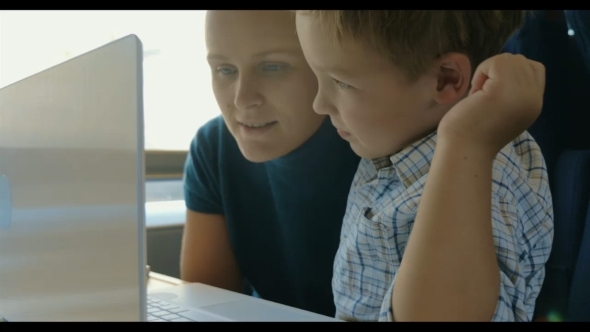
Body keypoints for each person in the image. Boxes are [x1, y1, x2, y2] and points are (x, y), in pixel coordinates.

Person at [295, 10, 554, 321]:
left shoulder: (482, 179)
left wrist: (467, 142)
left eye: (340, 82)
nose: (319, 104)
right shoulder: (398, 143)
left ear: (445, 79)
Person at [179, 10, 361, 317]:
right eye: (225, 70)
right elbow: (207, 307)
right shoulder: (213, 147)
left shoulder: (374, 145)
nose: (242, 98)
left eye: (272, 67)